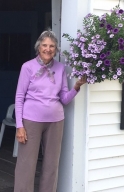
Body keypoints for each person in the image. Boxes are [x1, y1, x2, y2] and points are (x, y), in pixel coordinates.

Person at [14, 30, 86, 192]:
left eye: (52, 46)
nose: (48, 49)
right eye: (45, 45)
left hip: (56, 121)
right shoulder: (28, 67)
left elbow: (64, 99)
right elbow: (19, 97)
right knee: (26, 165)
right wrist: (20, 126)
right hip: (31, 120)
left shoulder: (60, 68)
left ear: (56, 49)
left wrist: (77, 86)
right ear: (38, 47)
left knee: (51, 165)